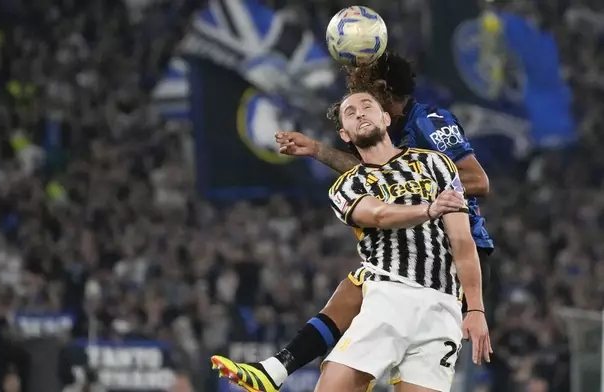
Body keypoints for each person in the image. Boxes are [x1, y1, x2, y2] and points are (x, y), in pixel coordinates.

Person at [211, 50, 495, 392]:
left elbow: (477, 184)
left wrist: (475, 308)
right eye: (351, 110)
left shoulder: (431, 132)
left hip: (452, 276)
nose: (360, 108)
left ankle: (276, 368)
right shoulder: (351, 183)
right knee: (364, 278)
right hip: (395, 286)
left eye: (366, 99)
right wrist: (318, 150)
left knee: (361, 280)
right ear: (344, 133)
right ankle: (276, 369)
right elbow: (377, 198)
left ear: (384, 102)